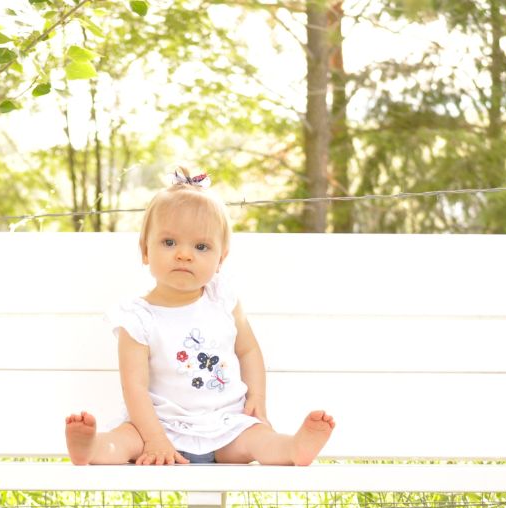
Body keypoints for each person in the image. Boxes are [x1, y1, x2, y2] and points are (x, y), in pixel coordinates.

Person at [64, 166, 335, 466]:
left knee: (259, 439)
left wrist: (257, 398)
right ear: (144, 250)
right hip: (159, 425)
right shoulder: (137, 317)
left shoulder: (223, 301)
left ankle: (293, 448)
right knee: (123, 441)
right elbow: (135, 387)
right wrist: (155, 440)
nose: (184, 254)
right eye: (169, 243)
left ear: (221, 258)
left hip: (226, 424)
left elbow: (248, 350)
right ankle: (91, 447)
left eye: (201, 246)